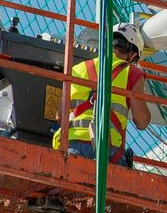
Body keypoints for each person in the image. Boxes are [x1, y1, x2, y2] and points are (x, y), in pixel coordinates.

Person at [53, 22, 152, 164]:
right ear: (133, 55)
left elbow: (60, 115)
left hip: (70, 145)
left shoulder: (77, 69)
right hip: (105, 150)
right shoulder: (132, 72)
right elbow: (141, 121)